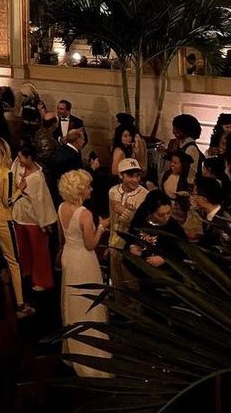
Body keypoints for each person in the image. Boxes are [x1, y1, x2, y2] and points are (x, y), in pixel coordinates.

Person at [57, 169, 111, 379]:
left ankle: (73, 349)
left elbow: (63, 238)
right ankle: (91, 355)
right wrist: (102, 227)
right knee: (88, 304)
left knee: (73, 303)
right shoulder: (85, 214)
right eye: (88, 186)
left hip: (69, 258)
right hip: (84, 261)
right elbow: (90, 244)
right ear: (80, 190)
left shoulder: (61, 207)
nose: (91, 189)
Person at [0, 137, 34, 318]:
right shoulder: (6, 173)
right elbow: (8, 200)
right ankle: (20, 304)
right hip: (3, 218)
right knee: (13, 261)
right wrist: (21, 189)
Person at [11, 141, 57, 292]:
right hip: (20, 214)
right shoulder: (18, 165)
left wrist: (45, 223)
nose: (18, 160)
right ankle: (26, 273)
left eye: (21, 157)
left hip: (34, 218)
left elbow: (41, 201)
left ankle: (42, 280)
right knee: (22, 247)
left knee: (39, 250)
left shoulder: (38, 177)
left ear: (29, 157)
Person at [107, 158, 147, 287]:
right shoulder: (113, 192)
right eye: (130, 175)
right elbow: (112, 219)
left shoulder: (144, 195)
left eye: (137, 175)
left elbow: (143, 224)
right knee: (116, 281)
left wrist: (125, 212)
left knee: (131, 283)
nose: (135, 180)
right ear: (120, 175)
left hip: (131, 247)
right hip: (114, 243)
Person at [126, 190, 186, 275]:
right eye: (161, 215)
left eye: (168, 213)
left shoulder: (173, 227)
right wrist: (132, 246)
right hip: (140, 269)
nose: (166, 218)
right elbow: (131, 233)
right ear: (150, 213)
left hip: (164, 275)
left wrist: (164, 258)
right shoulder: (141, 217)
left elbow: (183, 250)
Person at [193, 177, 231, 252]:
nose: (192, 197)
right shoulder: (205, 213)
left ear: (203, 199)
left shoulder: (223, 223)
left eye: (194, 193)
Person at [168, 114, 203, 185]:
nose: (174, 132)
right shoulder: (176, 143)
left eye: (177, 129)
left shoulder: (191, 148)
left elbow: (191, 172)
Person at [160, 151, 192, 221]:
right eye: (171, 162)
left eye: (175, 163)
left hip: (177, 209)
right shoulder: (165, 175)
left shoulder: (185, 179)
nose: (172, 165)